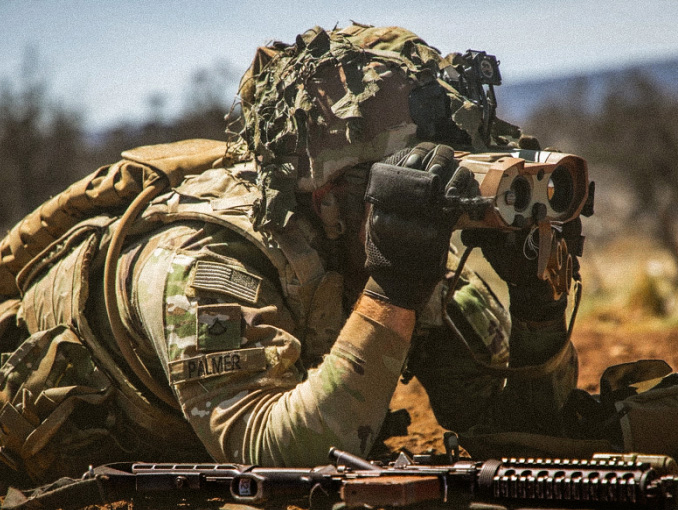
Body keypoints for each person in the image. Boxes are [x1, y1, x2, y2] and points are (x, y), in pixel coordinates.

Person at [0, 23, 583, 486]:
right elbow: (275, 457)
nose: (441, 207)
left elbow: (521, 432)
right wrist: (392, 290)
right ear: (328, 193)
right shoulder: (203, 260)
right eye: (412, 179)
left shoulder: (400, 251)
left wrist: (538, 305)